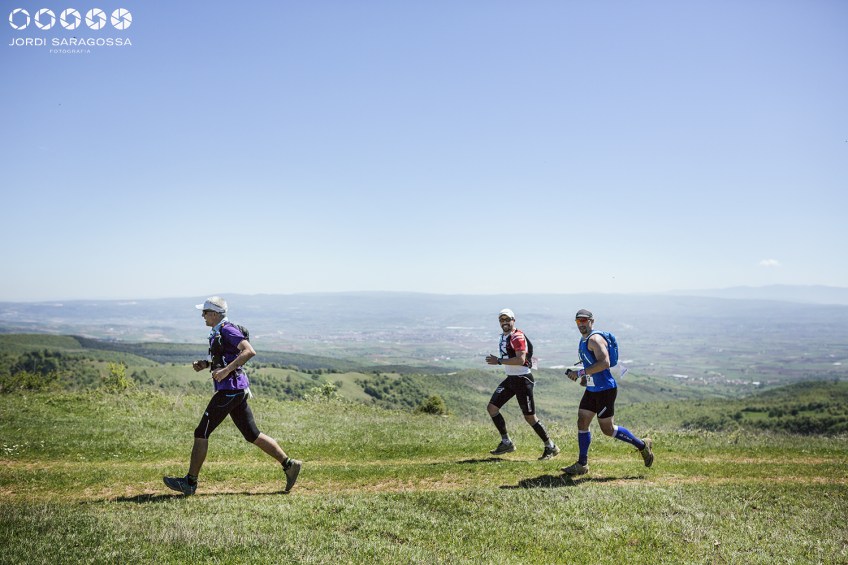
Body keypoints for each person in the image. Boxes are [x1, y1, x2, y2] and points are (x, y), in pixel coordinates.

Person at [163, 296, 302, 495]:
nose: (202, 316)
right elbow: (226, 356)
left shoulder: (227, 329)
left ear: (214, 314)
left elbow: (249, 351)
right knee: (252, 434)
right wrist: (206, 364)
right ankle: (290, 465)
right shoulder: (218, 331)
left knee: (201, 432)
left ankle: (190, 482)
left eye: (204, 312)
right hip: (235, 389)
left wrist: (226, 371)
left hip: (230, 390)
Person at [562, 309, 653, 476]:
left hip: (605, 390)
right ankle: (582, 464)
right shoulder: (583, 340)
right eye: (578, 321)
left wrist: (580, 373)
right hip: (592, 389)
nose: (581, 324)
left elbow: (604, 363)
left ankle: (642, 445)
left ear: (592, 321)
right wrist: (585, 378)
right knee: (582, 421)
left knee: (608, 429)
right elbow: (591, 364)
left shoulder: (595, 340)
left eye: (584, 320)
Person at [485, 308, 560, 460]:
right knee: (492, 408)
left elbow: (520, 359)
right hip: (511, 379)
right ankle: (506, 442)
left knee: (530, 417)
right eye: (502, 320)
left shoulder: (517, 336)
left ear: (513, 320)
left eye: (507, 319)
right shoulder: (505, 336)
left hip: (523, 380)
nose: (505, 322)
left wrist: (498, 361)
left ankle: (550, 446)